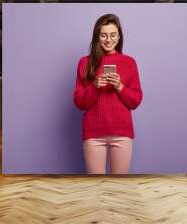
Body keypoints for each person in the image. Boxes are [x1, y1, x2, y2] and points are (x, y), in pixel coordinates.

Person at [73, 14, 143, 174]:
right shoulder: (85, 62)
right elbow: (79, 103)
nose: (108, 39)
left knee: (119, 187)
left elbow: (136, 101)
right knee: (96, 186)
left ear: (119, 36)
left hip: (122, 133)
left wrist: (120, 86)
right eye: (103, 35)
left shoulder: (129, 62)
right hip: (93, 134)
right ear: (97, 36)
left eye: (113, 35)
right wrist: (95, 86)